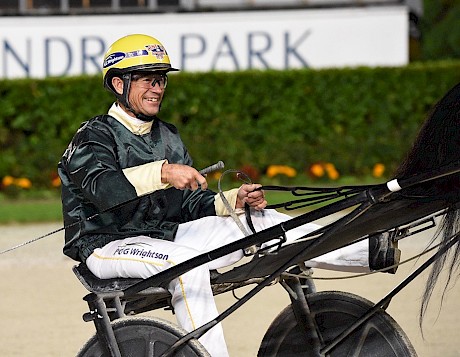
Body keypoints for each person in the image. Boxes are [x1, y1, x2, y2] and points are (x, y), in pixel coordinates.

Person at [58, 34, 398, 356]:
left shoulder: (167, 136)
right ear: (119, 83)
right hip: (106, 244)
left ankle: (368, 252)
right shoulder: (94, 135)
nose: (157, 88)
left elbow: (189, 204)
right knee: (186, 266)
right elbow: (104, 189)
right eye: (146, 78)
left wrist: (231, 201)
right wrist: (162, 172)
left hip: (165, 237)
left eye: (161, 79)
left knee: (260, 221)